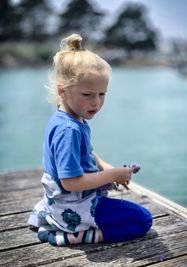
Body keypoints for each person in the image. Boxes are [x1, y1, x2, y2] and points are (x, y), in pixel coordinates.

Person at [28, 33, 152, 246]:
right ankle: (67, 235)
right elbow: (71, 182)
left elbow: (87, 154)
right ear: (62, 91)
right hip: (74, 205)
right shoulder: (69, 130)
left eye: (102, 94)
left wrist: (107, 167)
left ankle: (49, 216)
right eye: (87, 94)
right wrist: (111, 174)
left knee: (129, 213)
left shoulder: (68, 118)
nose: (96, 102)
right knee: (142, 220)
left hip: (60, 200)